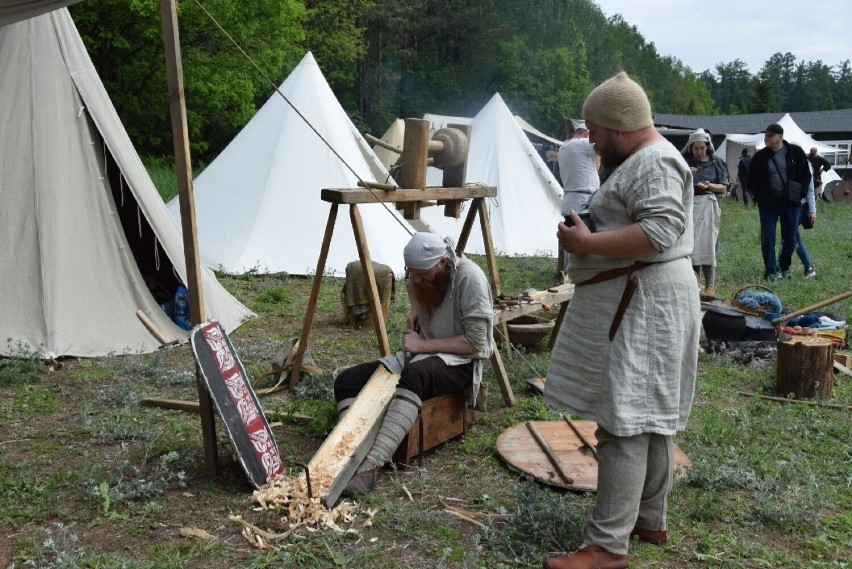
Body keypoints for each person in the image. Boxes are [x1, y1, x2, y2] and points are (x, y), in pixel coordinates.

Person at [543, 72, 700, 569]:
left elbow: (658, 230)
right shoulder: (645, 159)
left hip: (648, 302)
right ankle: (648, 518)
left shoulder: (654, 162)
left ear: (616, 126)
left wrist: (586, 244)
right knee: (649, 417)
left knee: (626, 421)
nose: (590, 141)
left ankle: (607, 547)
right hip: (648, 297)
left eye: (593, 131)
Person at [334, 232, 493, 493]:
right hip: (421, 357)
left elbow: (478, 344)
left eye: (422, 274)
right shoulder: (424, 274)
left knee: (416, 375)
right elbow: (420, 294)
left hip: (460, 362)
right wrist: (414, 313)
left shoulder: (469, 278)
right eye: (412, 272)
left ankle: (371, 466)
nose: (415, 279)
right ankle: (349, 450)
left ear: (443, 262)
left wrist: (423, 345)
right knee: (347, 380)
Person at [748, 123, 812, 281]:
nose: (766, 138)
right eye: (765, 135)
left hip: (791, 203)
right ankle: (770, 271)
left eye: (770, 136)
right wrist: (758, 196)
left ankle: (784, 266)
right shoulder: (760, 156)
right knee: (768, 238)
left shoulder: (795, 152)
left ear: (780, 137)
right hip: (768, 204)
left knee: (790, 238)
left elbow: (806, 175)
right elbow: (751, 180)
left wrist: (801, 194)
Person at [682, 130, 728, 298]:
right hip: (689, 204)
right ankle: (694, 282)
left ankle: (710, 285)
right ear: (690, 148)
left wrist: (709, 186)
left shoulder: (716, 162)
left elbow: (723, 187)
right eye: (696, 148)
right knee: (691, 244)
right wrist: (687, 174)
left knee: (707, 243)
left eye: (702, 148)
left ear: (707, 147)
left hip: (708, 204)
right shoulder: (684, 162)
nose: (699, 152)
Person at [558, 123, 600, 216]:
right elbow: (605, 148)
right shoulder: (583, 143)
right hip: (582, 199)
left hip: (570, 199)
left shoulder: (563, 147)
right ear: (586, 135)